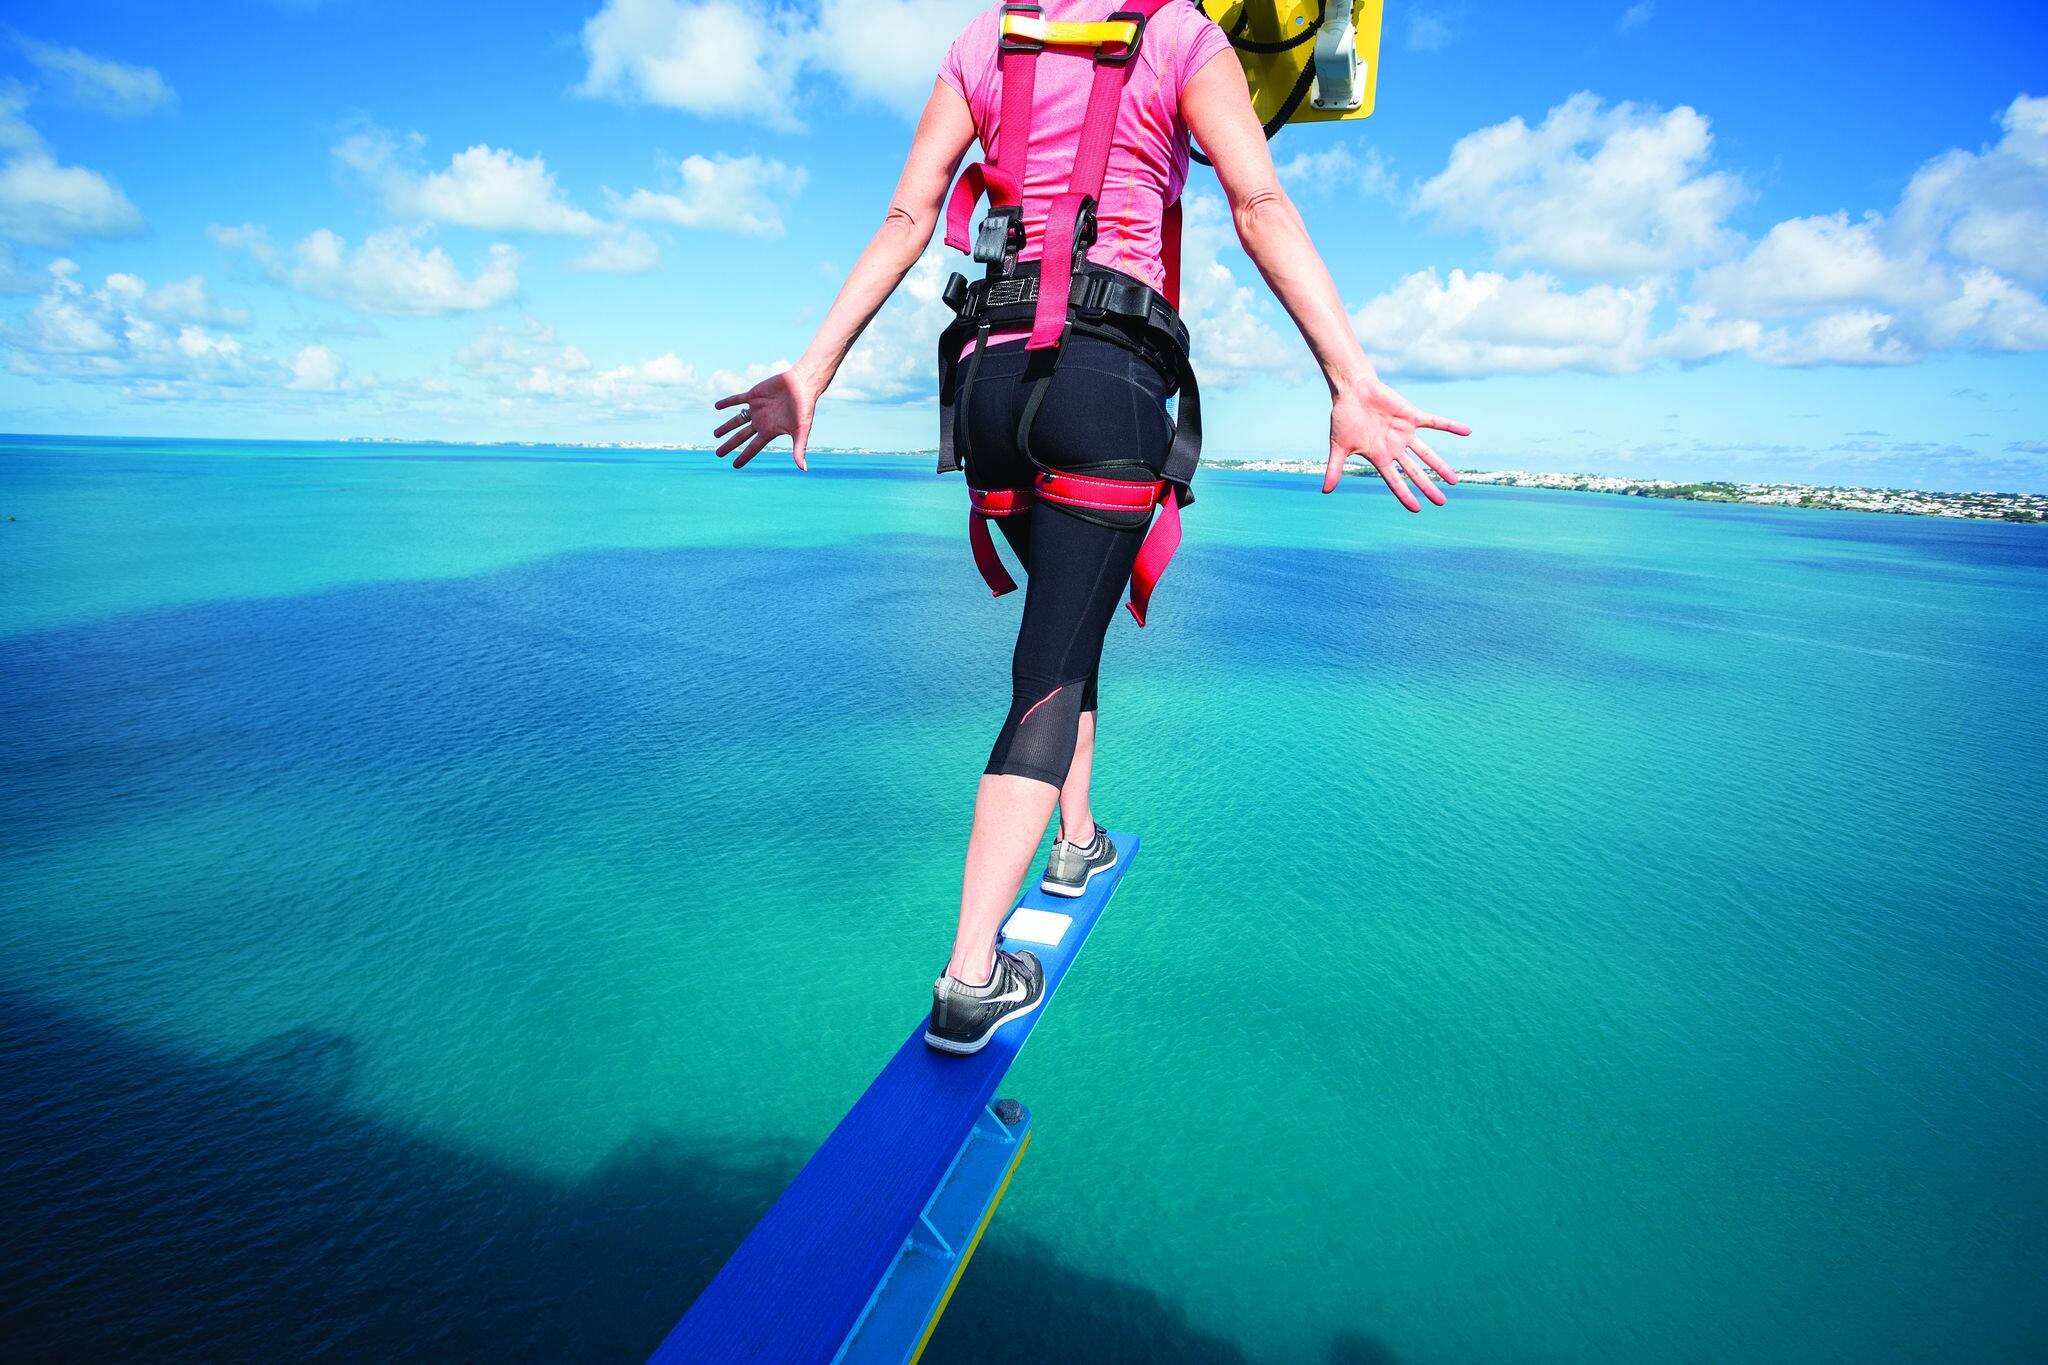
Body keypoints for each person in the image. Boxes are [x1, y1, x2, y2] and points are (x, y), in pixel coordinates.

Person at [711, 0, 1469, 1054]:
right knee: (1049, 672)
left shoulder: (984, 41)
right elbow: (1256, 202)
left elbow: (904, 218)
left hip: (986, 388)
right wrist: (1348, 376)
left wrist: (812, 370)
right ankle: (970, 981)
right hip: (1101, 385)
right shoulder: (1178, 36)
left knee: (1067, 630)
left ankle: (1074, 840)